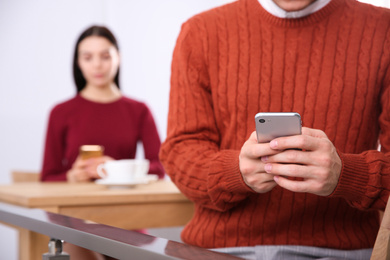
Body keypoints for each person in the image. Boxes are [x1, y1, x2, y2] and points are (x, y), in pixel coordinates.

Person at [160, 0, 390, 259]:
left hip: (341, 251)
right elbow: (181, 152)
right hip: (220, 250)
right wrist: (235, 173)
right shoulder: (200, 32)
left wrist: (346, 176)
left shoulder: (384, 29)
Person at [41, 25, 165, 183]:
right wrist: (70, 177)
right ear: (78, 62)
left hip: (123, 203)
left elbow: (159, 168)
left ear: (118, 58)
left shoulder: (139, 110)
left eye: (105, 56)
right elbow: (47, 178)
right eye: (88, 58)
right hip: (75, 204)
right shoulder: (60, 112)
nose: (97, 65)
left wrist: (117, 169)